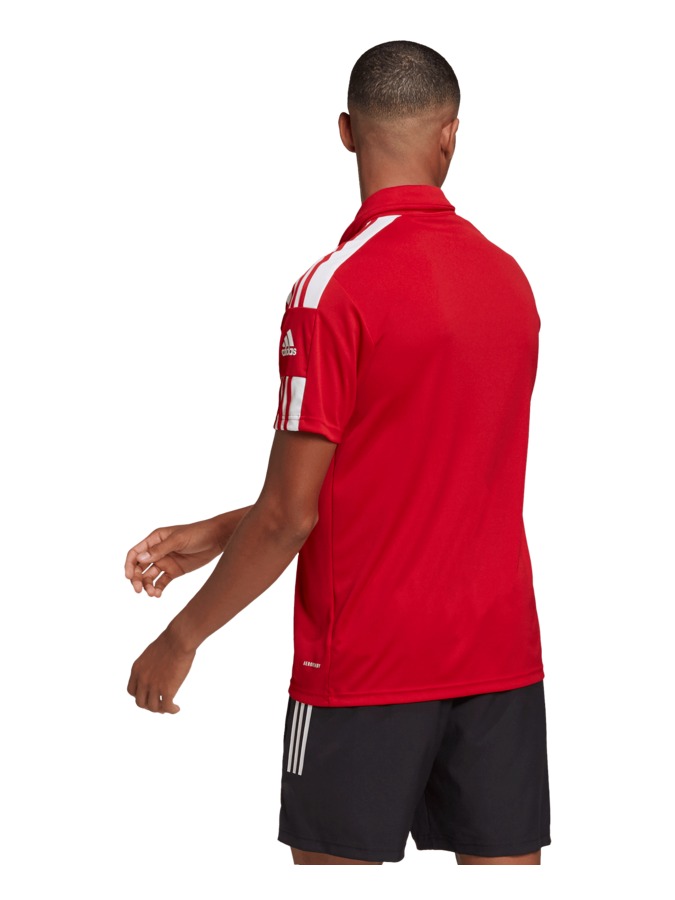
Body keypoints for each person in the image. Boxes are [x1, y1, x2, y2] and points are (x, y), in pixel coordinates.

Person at [124, 40, 551, 866]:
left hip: (364, 670)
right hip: (499, 663)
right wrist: (215, 531)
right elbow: (417, 480)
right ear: (450, 135)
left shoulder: (332, 291)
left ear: (347, 132)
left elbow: (290, 516)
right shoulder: (508, 281)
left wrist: (181, 638)